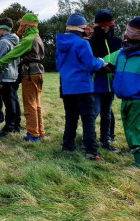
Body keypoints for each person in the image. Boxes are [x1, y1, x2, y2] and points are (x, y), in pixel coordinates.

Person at [56, 13, 108, 161]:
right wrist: (100, 61)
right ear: (80, 28)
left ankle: (68, 147)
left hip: (67, 87)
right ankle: (91, 151)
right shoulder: (82, 43)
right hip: (83, 87)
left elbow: (59, 65)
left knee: (71, 118)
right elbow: (91, 65)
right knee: (88, 119)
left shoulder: (60, 43)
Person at [0, 13, 45, 142]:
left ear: (27, 25)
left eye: (22, 24)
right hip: (39, 72)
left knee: (30, 105)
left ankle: (33, 135)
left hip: (30, 73)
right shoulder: (37, 37)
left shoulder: (29, 39)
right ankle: (40, 131)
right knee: (37, 104)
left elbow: (13, 54)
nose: (20, 26)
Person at [89, 10, 122, 151]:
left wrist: (115, 70)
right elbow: (90, 63)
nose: (105, 28)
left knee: (107, 114)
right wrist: (103, 68)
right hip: (96, 84)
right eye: (101, 25)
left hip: (110, 85)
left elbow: (121, 61)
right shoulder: (91, 42)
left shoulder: (117, 42)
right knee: (94, 112)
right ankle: (88, 140)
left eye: (107, 24)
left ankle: (106, 140)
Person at [112, 17, 140, 167]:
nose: (126, 33)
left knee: (136, 130)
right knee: (129, 129)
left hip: (137, 99)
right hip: (124, 99)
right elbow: (106, 60)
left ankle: (139, 162)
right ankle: (135, 152)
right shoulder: (122, 52)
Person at [0, 17, 22, 137]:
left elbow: (2, 61)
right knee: (14, 101)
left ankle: (9, 127)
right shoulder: (16, 41)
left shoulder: (4, 42)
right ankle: (17, 125)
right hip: (14, 74)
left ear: (2, 28)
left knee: (9, 103)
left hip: (6, 76)